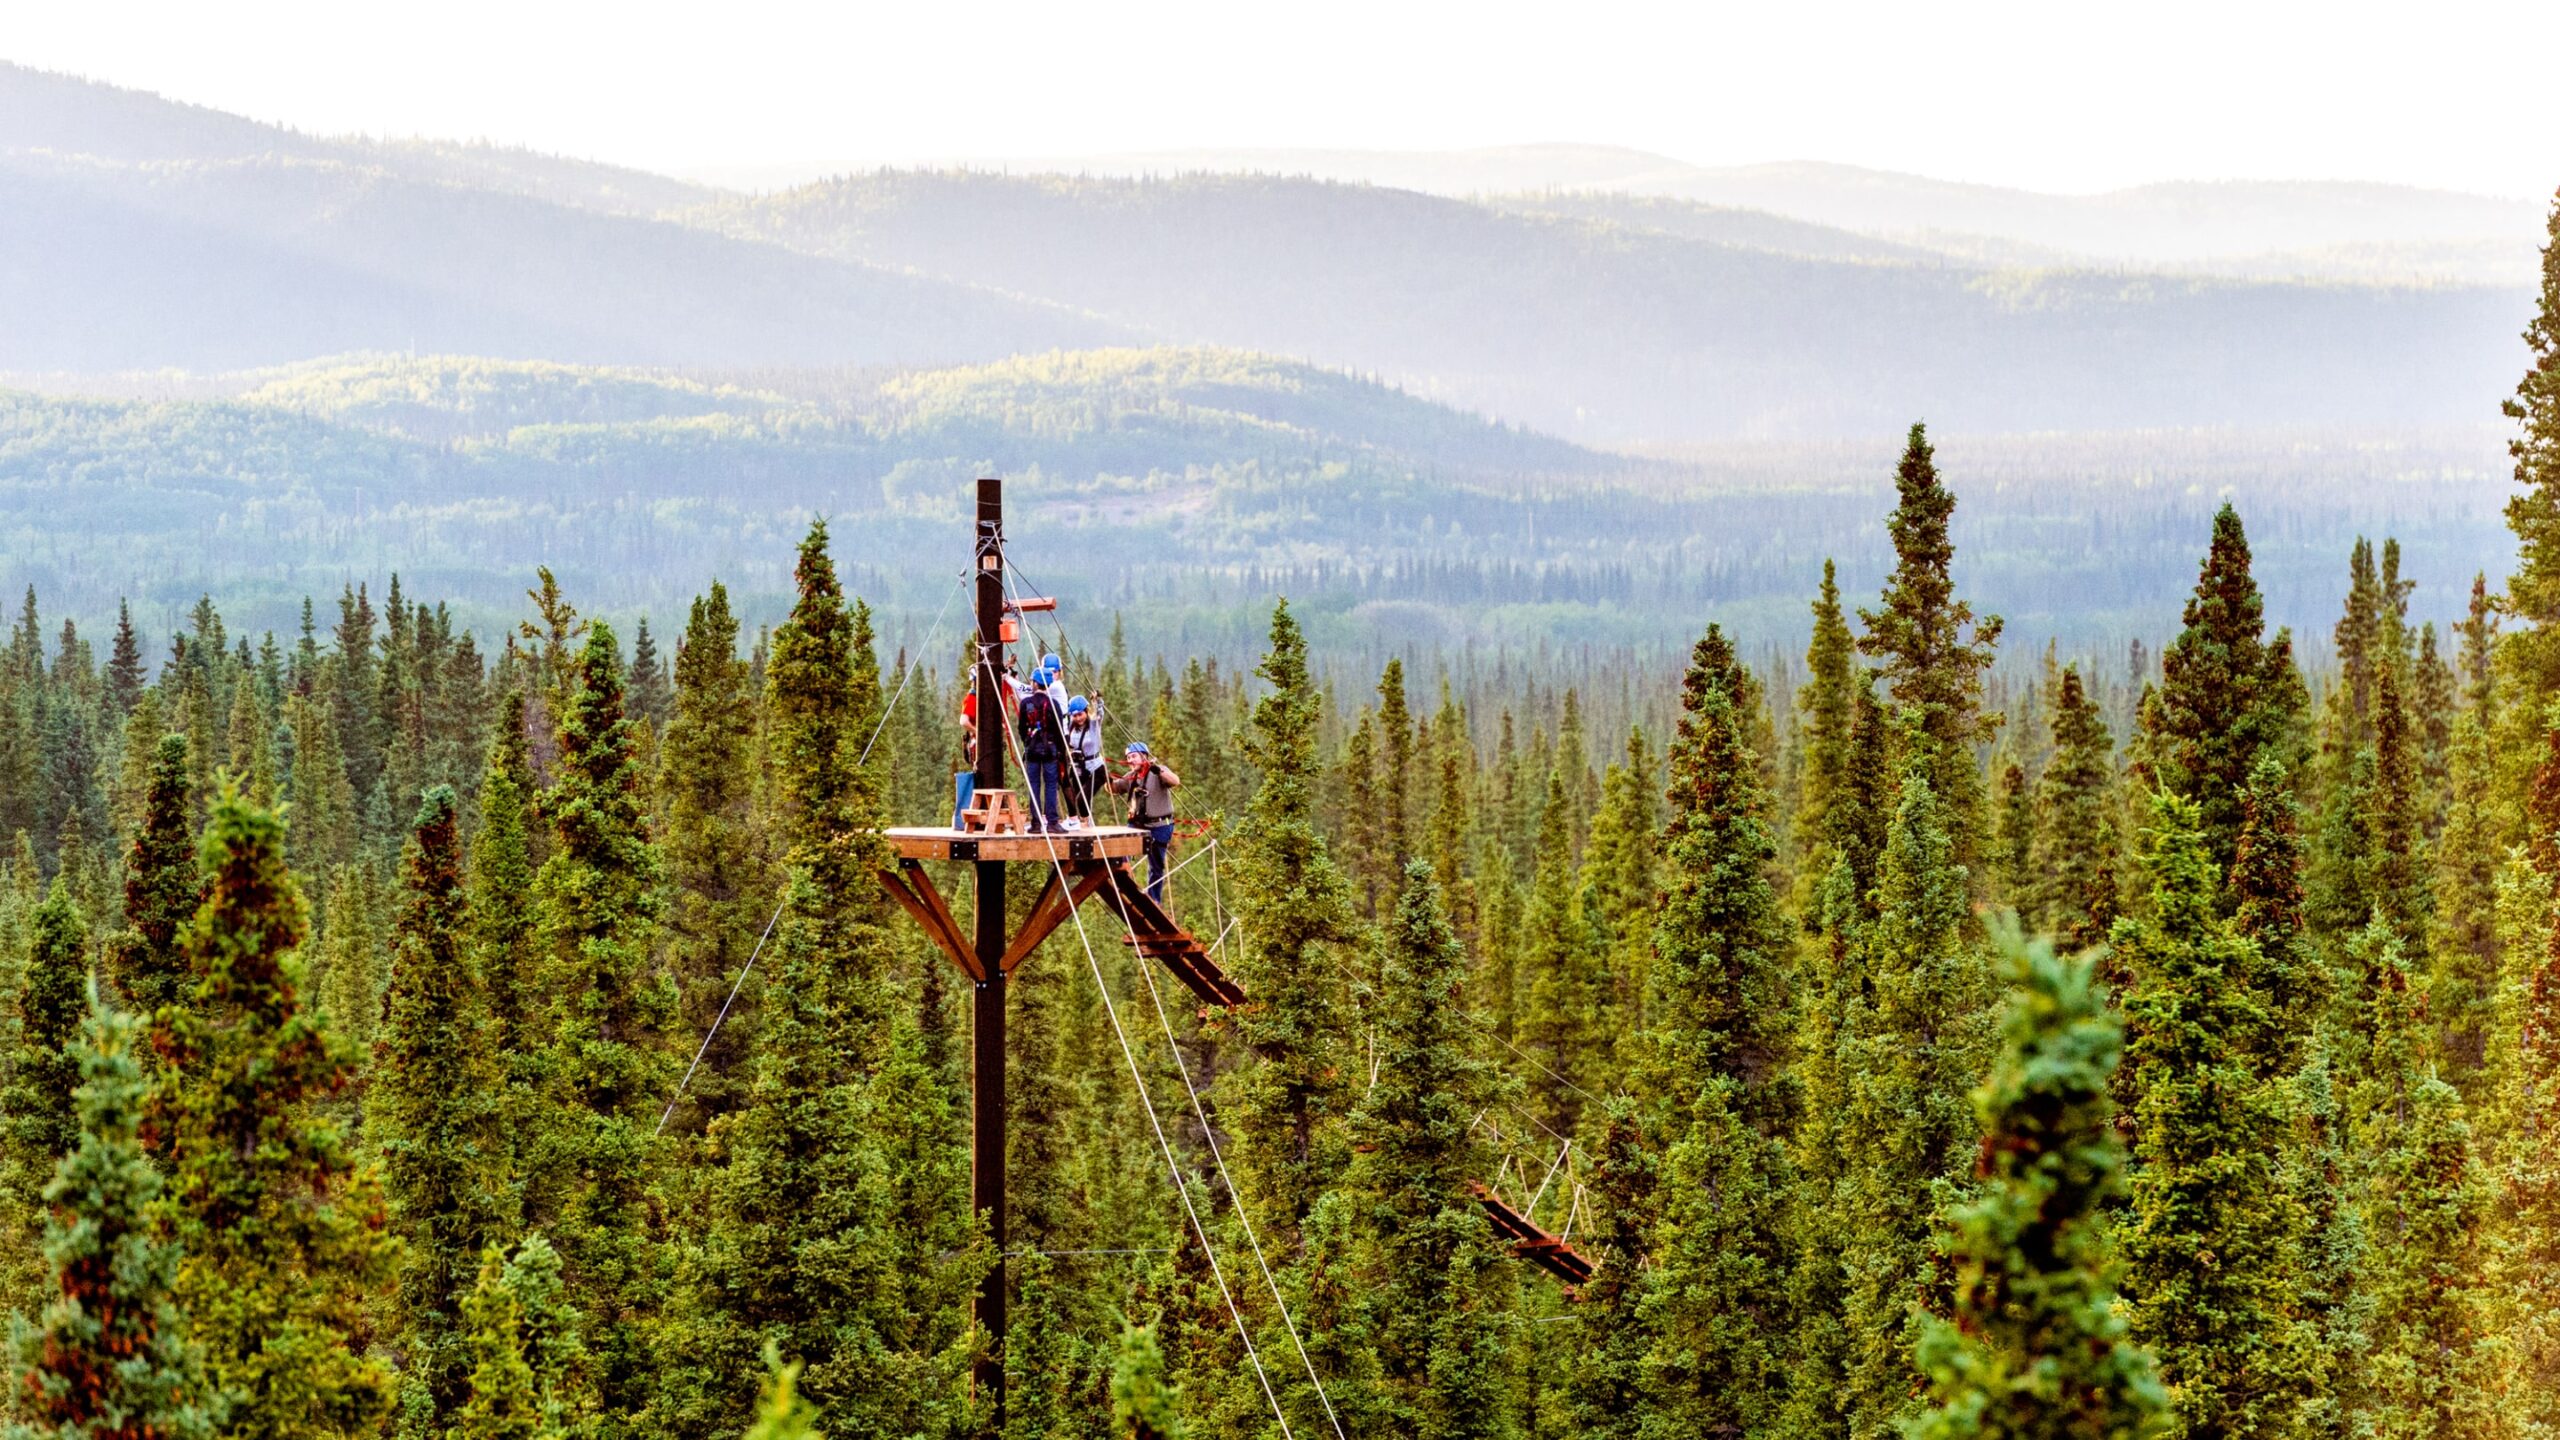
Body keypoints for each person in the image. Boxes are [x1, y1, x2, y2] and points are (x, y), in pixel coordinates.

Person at [1108, 741, 1181, 902]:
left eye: (1133, 756)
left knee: (1156, 866)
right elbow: (1114, 788)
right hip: (1138, 824)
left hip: (1160, 825)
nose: (1130, 760)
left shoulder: (1158, 772)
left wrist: (1159, 770)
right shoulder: (1131, 777)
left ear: (1144, 756)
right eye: (1128, 757)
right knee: (1122, 847)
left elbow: (1175, 781)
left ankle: (1154, 900)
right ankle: (1124, 883)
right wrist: (1104, 778)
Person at [1017, 676, 1065, 833]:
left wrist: (1027, 741)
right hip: (1050, 749)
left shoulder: (1026, 703)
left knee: (1034, 785)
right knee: (1051, 785)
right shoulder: (1053, 704)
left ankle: (1036, 823)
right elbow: (1059, 729)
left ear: (1035, 683)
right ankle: (1052, 822)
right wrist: (1060, 750)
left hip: (1032, 750)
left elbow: (1021, 728)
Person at [1062, 695, 1105, 828]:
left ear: (1086, 712)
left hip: (1096, 769)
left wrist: (1097, 701)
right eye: (1074, 716)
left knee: (1082, 800)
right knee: (1070, 796)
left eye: (1080, 714)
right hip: (1078, 768)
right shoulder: (1071, 727)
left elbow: (1100, 712)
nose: (1078, 718)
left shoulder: (1094, 724)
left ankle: (1087, 822)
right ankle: (1074, 821)